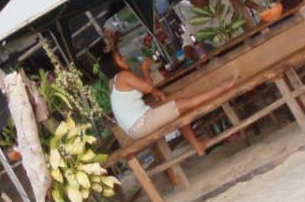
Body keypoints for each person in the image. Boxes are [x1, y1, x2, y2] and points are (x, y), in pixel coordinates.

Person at [99, 51, 237, 156]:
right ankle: (224, 87)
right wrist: (145, 69)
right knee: (184, 103)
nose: (123, 58)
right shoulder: (123, 76)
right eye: (119, 58)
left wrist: (155, 91)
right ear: (114, 64)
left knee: (178, 111)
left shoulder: (113, 82)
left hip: (135, 128)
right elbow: (146, 87)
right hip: (141, 123)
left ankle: (198, 146)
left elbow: (137, 91)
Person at [174, 0, 240, 48]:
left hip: (242, 37)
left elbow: (241, 10)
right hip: (224, 49)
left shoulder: (222, 0)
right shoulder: (193, 20)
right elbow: (187, 42)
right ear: (192, 2)